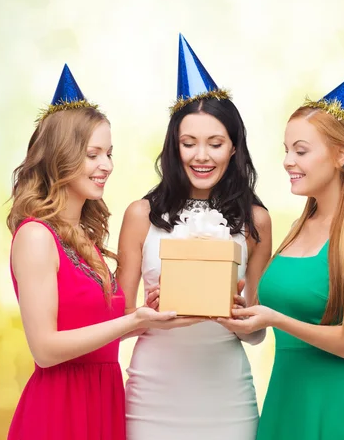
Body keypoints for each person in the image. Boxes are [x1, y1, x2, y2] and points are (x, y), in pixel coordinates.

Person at [220, 63, 344, 439]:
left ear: (341, 155)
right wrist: (235, 307)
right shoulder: (299, 227)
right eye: (286, 150)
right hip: (287, 398)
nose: (287, 162)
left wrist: (274, 319)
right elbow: (272, 307)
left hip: (335, 406)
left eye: (300, 151)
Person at [7, 65, 175, 440]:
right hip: (58, 411)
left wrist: (148, 317)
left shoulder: (86, 241)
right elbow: (45, 349)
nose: (107, 166)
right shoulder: (36, 237)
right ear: (59, 157)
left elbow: (97, 336)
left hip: (103, 400)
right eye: (93, 154)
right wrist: (132, 322)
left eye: (109, 153)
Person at [117, 35, 272, 440]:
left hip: (227, 396)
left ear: (234, 149)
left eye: (215, 144)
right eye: (189, 143)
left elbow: (257, 332)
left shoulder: (256, 220)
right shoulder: (141, 215)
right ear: (174, 147)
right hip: (152, 394)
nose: (201, 156)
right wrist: (145, 315)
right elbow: (116, 320)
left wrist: (238, 315)